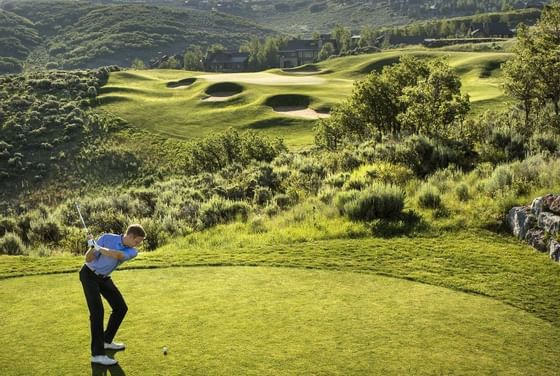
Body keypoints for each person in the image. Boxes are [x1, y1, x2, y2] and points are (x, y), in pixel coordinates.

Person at [79, 224, 146, 366]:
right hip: (89, 275)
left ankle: (106, 340)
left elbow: (117, 255)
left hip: (103, 277)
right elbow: (88, 259)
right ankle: (97, 355)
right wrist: (92, 247)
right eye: (137, 241)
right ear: (129, 236)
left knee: (121, 307)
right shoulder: (106, 238)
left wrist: (98, 248)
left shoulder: (132, 251)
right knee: (97, 312)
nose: (138, 245)